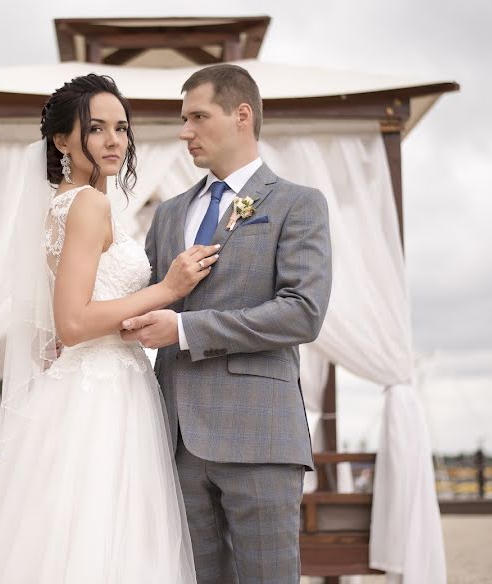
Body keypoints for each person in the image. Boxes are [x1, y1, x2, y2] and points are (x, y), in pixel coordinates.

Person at [0, 74, 216, 584]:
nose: (115, 140)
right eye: (96, 128)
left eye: (121, 127)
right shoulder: (88, 205)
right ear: (63, 140)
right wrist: (168, 288)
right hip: (104, 396)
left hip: (97, 388)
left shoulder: (68, 203)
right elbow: (70, 322)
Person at [122, 64, 333, 584]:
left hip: (260, 436)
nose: (184, 131)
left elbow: (302, 311)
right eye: (183, 118)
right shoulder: (169, 214)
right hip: (174, 440)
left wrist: (187, 330)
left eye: (198, 116)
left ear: (242, 116)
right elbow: (146, 298)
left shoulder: (298, 204)